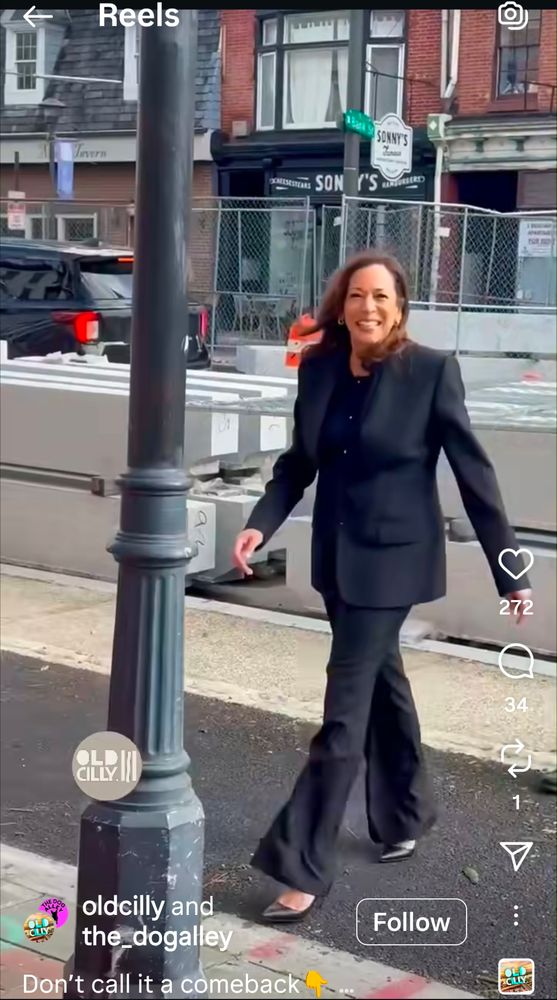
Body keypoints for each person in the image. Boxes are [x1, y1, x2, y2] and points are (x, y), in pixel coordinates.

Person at [232, 250, 532, 924]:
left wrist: (510, 571)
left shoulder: (429, 372)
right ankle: (404, 813)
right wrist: (259, 523)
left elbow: (475, 476)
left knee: (343, 714)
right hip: (337, 560)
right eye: (357, 296)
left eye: (381, 298)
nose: (368, 308)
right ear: (341, 306)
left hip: (393, 562)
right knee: (382, 685)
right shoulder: (319, 368)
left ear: (399, 309)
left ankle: (302, 864)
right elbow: (297, 463)